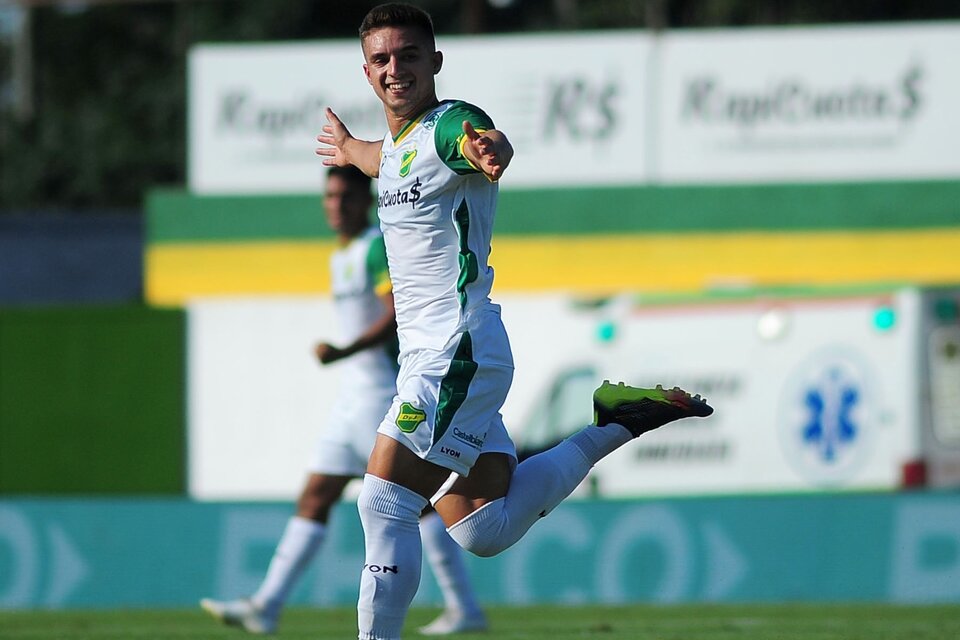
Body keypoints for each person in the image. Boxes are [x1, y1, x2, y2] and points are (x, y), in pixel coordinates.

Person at [316, 5, 714, 639]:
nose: (397, 70)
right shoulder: (392, 150)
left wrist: (490, 146)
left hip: (457, 353)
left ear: (435, 62)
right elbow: (379, 161)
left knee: (383, 501)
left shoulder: (451, 126)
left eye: (410, 55)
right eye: (382, 60)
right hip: (445, 361)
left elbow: (478, 139)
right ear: (367, 72)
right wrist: (347, 148)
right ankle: (616, 422)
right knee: (481, 527)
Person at [200, 165, 488, 636]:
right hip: (350, 399)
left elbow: (396, 313)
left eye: (346, 197)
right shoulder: (341, 254)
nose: (336, 206)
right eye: (330, 197)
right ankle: (266, 606)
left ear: (364, 200)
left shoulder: (376, 246)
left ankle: (463, 607)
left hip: (379, 392)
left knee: (413, 502)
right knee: (318, 495)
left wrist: (343, 350)